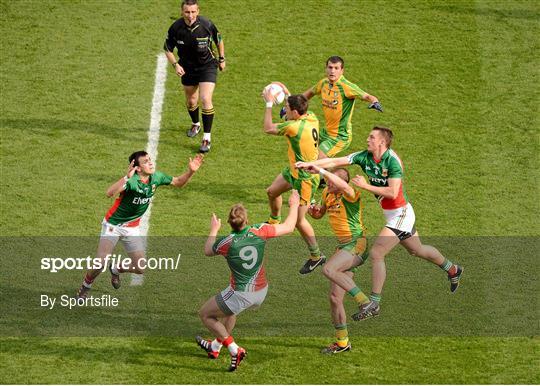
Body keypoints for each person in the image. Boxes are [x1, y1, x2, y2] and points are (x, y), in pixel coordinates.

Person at [297, 126, 463, 321]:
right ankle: (453, 269)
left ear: (382, 142)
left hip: (401, 213)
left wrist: (365, 186)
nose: (367, 139)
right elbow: (336, 160)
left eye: (371, 137)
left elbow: (393, 193)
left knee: (377, 252)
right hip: (392, 215)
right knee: (417, 250)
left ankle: (373, 302)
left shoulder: (393, 162)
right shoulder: (364, 156)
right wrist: (313, 164)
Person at [196, 190, 300, 372]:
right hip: (261, 291)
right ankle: (215, 347)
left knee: (205, 314)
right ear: (246, 220)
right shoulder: (260, 231)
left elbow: (207, 250)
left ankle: (234, 349)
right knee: (230, 312)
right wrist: (294, 204)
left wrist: (213, 229)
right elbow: (290, 226)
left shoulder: (226, 243)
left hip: (241, 293)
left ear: (229, 222)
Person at [77, 152, 203, 298]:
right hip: (113, 225)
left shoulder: (157, 177)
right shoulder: (132, 181)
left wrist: (191, 172)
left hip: (132, 228)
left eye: (149, 160)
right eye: (145, 162)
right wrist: (126, 177)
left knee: (140, 268)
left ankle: (116, 269)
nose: (150, 163)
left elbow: (178, 182)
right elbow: (109, 193)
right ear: (137, 168)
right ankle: (86, 285)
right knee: (100, 263)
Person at [306, 166, 370, 354]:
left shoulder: (351, 194)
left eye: (332, 180)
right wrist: (313, 211)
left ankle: (366, 303)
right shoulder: (327, 193)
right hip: (343, 246)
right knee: (335, 298)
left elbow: (345, 187)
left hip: (357, 243)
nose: (328, 183)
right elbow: (320, 214)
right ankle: (342, 343)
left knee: (328, 269)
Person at [262, 88, 325, 275]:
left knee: (298, 221)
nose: (285, 110)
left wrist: (268, 103)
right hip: (294, 170)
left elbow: (268, 128)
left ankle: (316, 256)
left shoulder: (294, 128)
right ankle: (274, 220)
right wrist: (288, 96)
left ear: (295, 113)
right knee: (272, 192)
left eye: (287, 108)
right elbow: (295, 109)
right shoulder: (312, 117)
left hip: (305, 179)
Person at [164, 0, 225, 153]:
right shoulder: (176, 28)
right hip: (187, 68)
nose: (190, 15)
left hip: (207, 66)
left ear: (198, 11)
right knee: (191, 101)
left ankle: (206, 138)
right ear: (181, 12)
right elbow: (167, 48)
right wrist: (175, 65)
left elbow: (219, 40)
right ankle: (196, 123)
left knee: (205, 99)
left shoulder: (206, 25)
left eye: (193, 12)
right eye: (187, 12)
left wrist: (222, 59)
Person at [302, 56, 382, 159]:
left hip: (340, 136)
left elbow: (366, 96)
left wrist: (374, 101)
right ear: (326, 68)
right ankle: (331, 173)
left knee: (318, 159)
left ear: (342, 71)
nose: (332, 71)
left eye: (336, 68)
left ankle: (336, 174)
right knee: (306, 150)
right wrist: (292, 105)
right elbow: (308, 94)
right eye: (330, 67)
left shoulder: (346, 86)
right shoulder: (323, 83)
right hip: (326, 132)